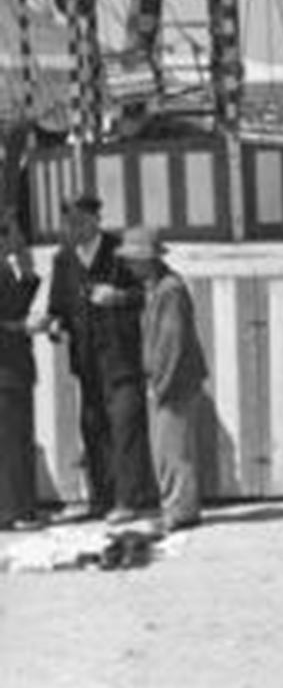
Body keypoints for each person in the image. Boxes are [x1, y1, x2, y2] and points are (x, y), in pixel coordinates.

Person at [44, 192, 156, 518]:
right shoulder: (63, 259)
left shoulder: (121, 251)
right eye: (67, 223)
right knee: (93, 431)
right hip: (86, 363)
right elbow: (58, 309)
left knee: (125, 428)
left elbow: (148, 292)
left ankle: (128, 501)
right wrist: (54, 325)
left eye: (79, 221)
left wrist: (118, 296)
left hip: (122, 358)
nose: (72, 228)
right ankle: (102, 499)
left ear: (96, 220)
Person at [116, 225, 209, 531]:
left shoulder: (169, 289)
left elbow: (172, 343)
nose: (128, 265)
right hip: (168, 379)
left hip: (175, 381)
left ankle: (180, 510)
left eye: (132, 259)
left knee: (173, 450)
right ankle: (177, 507)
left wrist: (162, 385)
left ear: (147, 259)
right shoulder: (156, 286)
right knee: (167, 448)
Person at [0, 207, 41, 529]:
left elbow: (27, 284)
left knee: (19, 439)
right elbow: (14, 317)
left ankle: (21, 507)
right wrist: (19, 328)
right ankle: (14, 510)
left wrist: (20, 246)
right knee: (11, 442)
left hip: (16, 369)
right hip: (6, 370)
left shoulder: (6, 271)